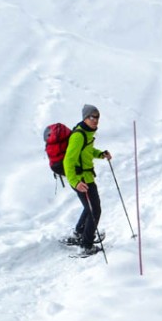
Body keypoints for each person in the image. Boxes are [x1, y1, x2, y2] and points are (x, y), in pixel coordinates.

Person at [64, 104, 112, 256]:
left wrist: (100, 154)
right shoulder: (79, 136)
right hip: (81, 180)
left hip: (86, 178)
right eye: (92, 117)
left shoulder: (87, 134)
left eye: (97, 117)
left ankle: (79, 233)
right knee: (95, 210)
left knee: (89, 207)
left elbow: (88, 151)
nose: (95, 120)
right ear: (85, 117)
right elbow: (68, 161)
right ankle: (86, 245)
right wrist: (75, 182)